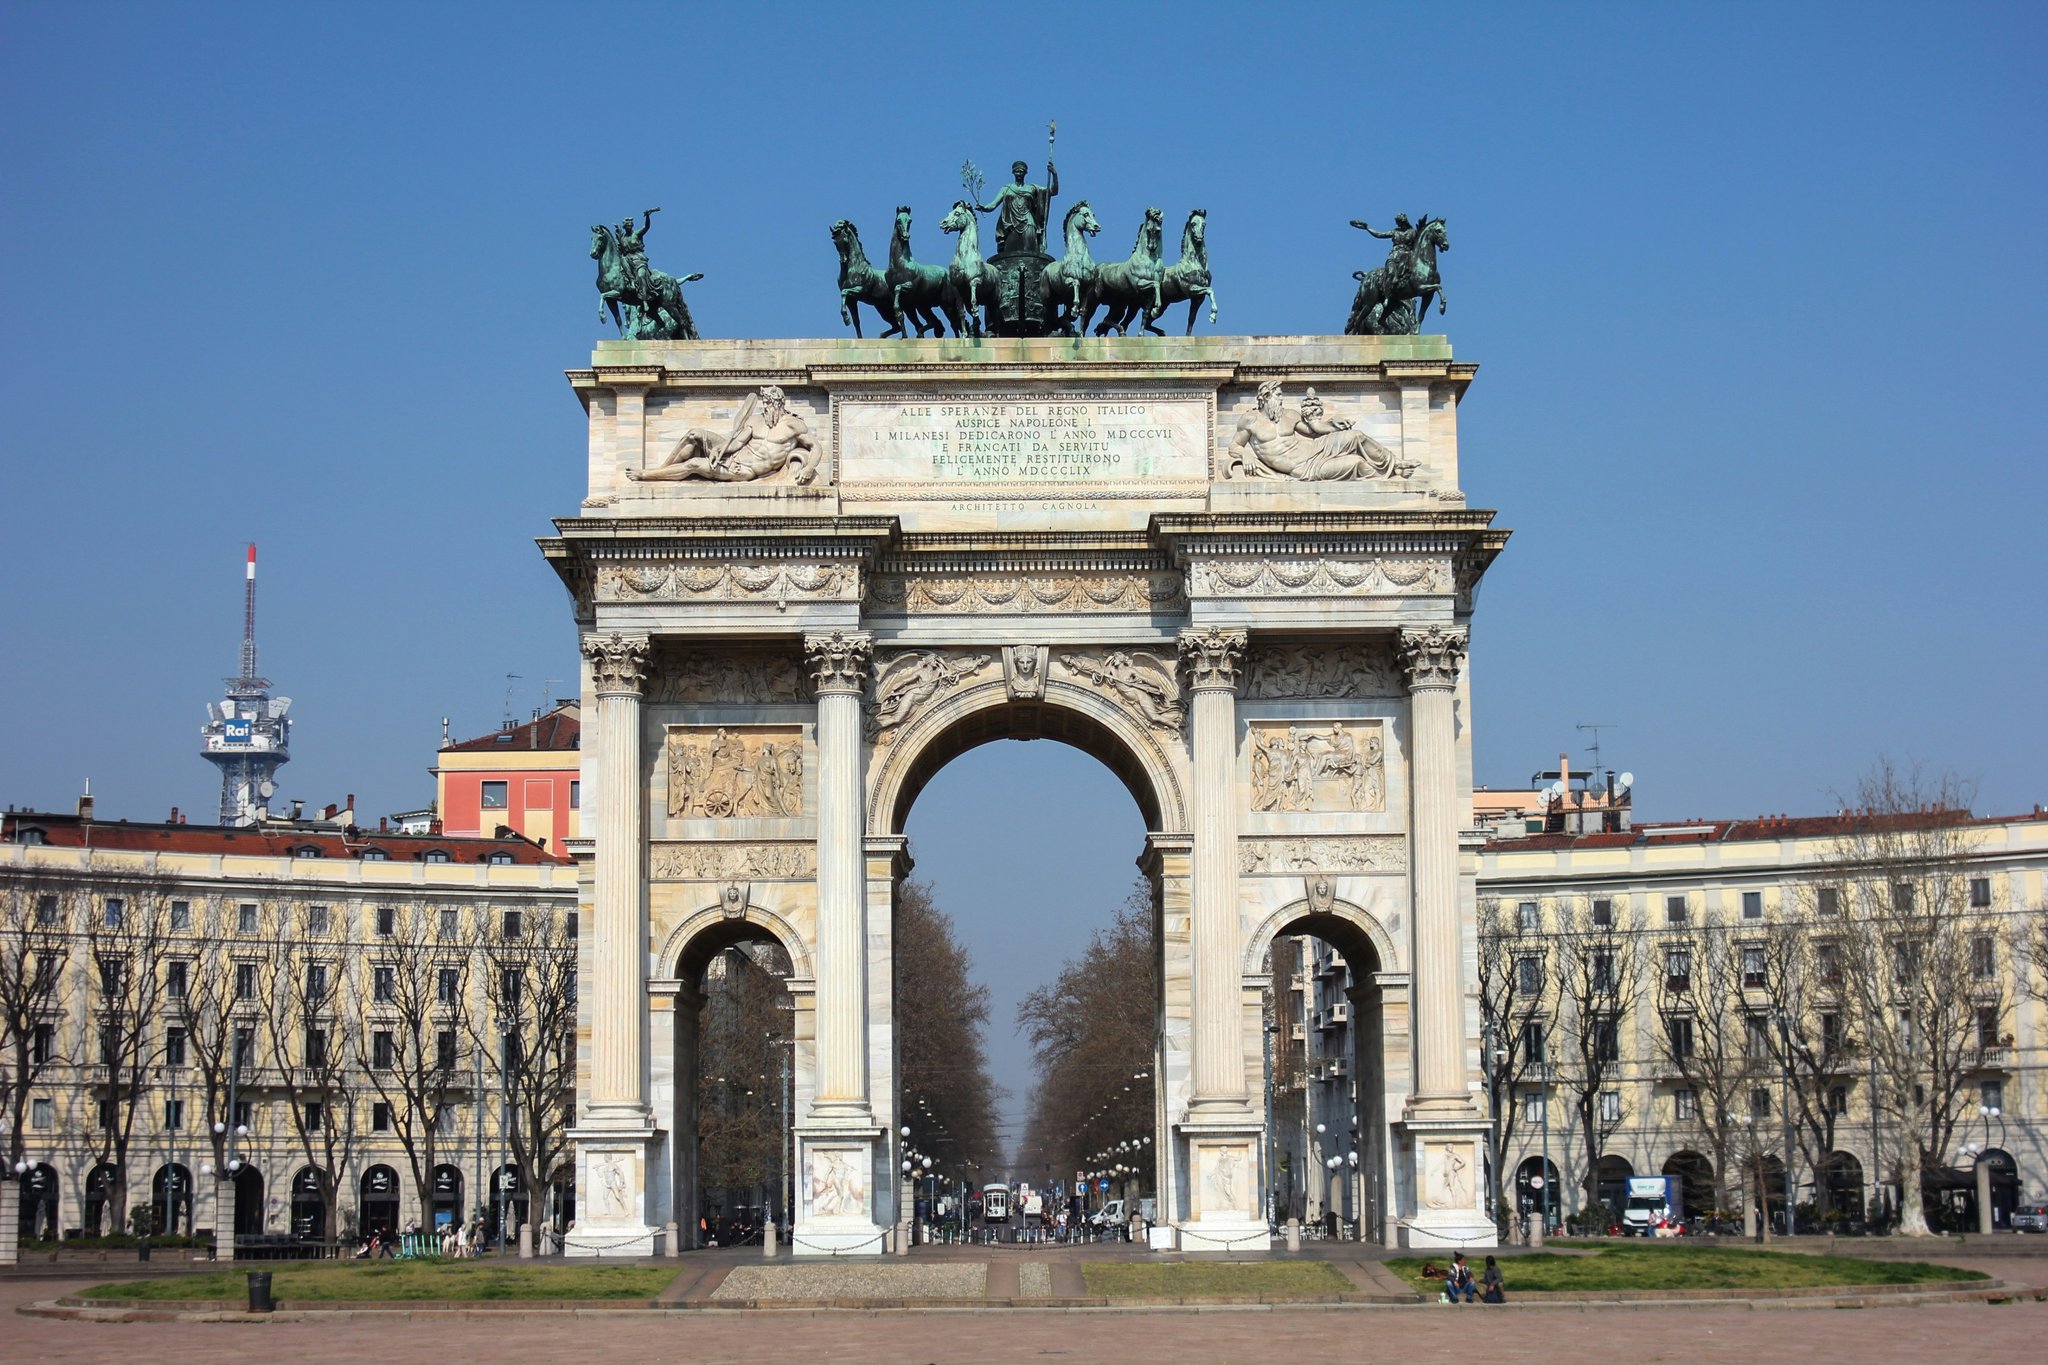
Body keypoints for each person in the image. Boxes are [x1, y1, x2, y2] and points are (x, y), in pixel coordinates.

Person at [628, 385, 817, 485]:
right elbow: (737, 443)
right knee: (694, 434)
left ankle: (647, 475)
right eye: (764, 403)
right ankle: (662, 470)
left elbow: (817, 447)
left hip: (744, 471)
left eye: (768, 403)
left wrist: (809, 468)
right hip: (733, 456)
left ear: (778, 403)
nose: (765, 407)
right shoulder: (755, 421)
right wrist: (719, 448)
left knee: (693, 464)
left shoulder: (794, 425)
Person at [975, 159, 1059, 256]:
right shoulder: (1006, 189)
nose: (1019, 173)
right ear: (1013, 173)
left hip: (1028, 222)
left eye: (1021, 171)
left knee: (1031, 250)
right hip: (1010, 224)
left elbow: (1053, 191)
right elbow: (993, 205)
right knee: (1010, 250)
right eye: (1017, 171)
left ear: (1025, 173)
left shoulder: (1032, 188)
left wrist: (1054, 173)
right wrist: (984, 208)